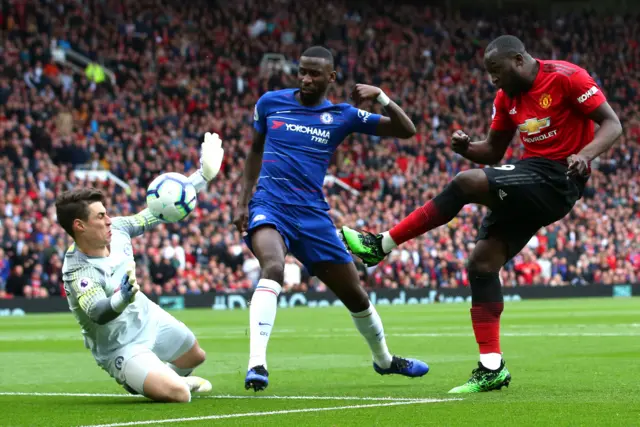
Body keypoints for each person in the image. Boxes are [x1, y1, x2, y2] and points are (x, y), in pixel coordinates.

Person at [341, 35, 622, 393]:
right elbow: (492, 151)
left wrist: (586, 154)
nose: (492, 79)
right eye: (489, 72)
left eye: (496, 70)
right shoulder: (506, 98)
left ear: (519, 60)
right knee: (482, 264)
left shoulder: (567, 77)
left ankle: (381, 244)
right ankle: (492, 367)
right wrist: (466, 148)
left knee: (463, 184)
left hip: (559, 177)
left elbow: (612, 123)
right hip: (529, 176)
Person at [234, 46, 429, 391]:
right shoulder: (270, 103)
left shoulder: (343, 115)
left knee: (355, 294)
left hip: (312, 216)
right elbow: (254, 151)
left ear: (331, 77)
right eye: (302, 72)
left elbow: (406, 130)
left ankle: (384, 361)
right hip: (269, 205)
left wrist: (382, 96)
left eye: (314, 73)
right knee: (274, 267)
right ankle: (257, 365)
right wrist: (242, 202)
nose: (306, 79)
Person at [58, 133, 225, 402]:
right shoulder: (79, 269)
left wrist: (202, 177)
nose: (110, 220)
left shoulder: (119, 229)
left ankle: (157, 376)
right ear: (80, 226)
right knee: (180, 394)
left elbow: (157, 211)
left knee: (196, 356)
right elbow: (98, 312)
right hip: (119, 344)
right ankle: (144, 378)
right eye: (101, 216)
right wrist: (121, 298)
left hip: (148, 318)